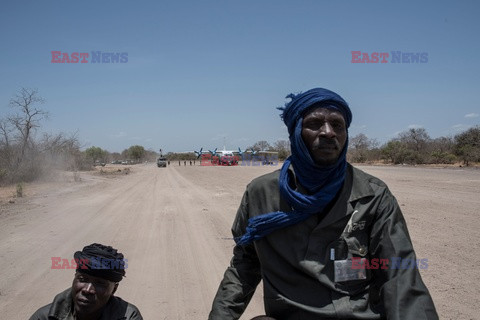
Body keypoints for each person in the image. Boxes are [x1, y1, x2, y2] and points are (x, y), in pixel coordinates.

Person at [209, 88, 438, 320]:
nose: (328, 132)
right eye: (315, 124)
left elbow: (400, 277)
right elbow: (245, 266)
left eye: (337, 125)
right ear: (296, 132)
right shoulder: (260, 193)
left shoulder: (374, 195)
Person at [30, 243, 143, 320]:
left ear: (114, 289)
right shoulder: (45, 317)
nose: (87, 290)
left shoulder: (128, 316)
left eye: (99, 283)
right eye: (82, 279)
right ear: (75, 278)